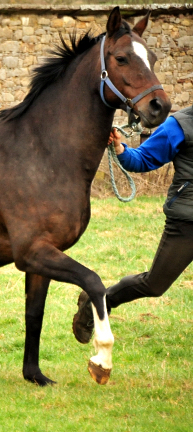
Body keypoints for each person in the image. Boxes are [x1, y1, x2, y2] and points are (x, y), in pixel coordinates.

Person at [73, 105, 193, 344]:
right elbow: (143, 159)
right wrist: (120, 148)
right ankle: (97, 304)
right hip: (187, 221)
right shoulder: (180, 126)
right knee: (155, 284)